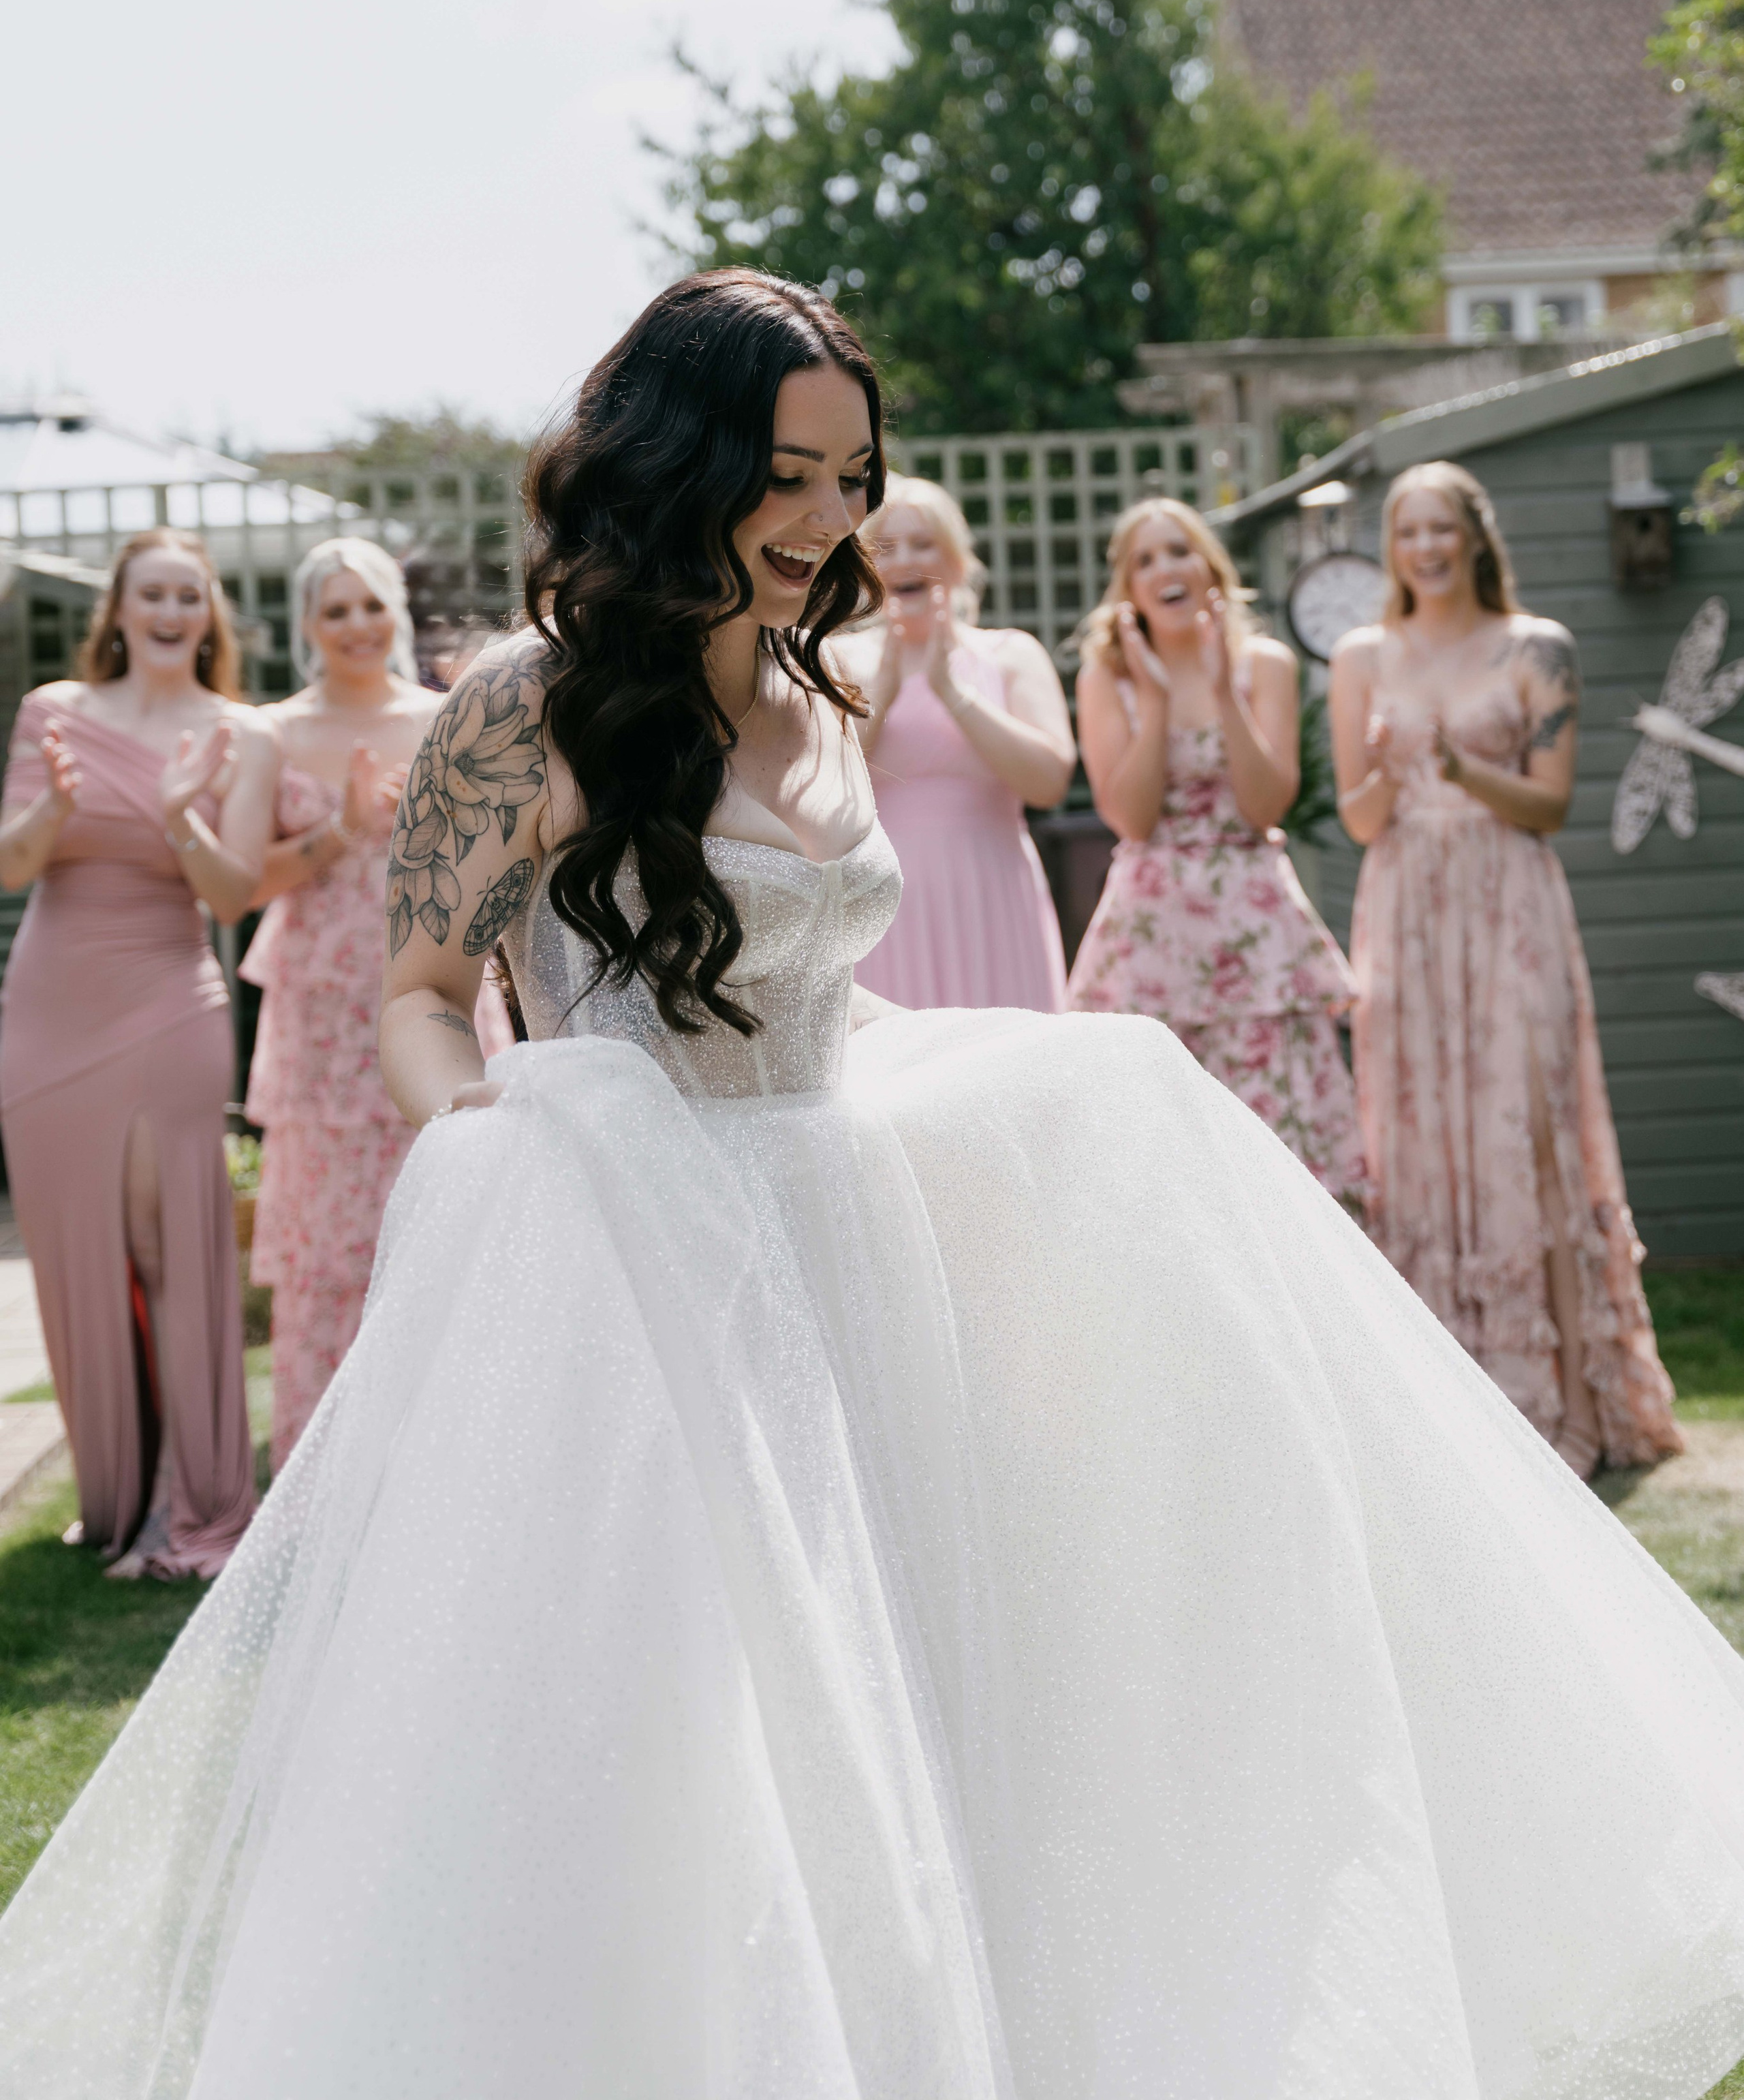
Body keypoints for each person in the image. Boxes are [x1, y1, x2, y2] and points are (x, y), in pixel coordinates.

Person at [4, 274, 1744, 2100]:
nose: (830, 518)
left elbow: (814, 996)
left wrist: (1031, 1087)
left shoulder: (819, 693)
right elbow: (423, 1000)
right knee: (681, 1755)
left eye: (854, 477)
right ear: (677, 461)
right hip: (635, 1266)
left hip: (851, 1257)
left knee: (932, 1722)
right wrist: (515, 1144)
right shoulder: (525, 705)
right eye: (790, 474)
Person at [1329, 459, 1682, 1479]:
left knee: (1528, 1127)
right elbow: (1358, 820)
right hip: (1405, 905)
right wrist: (1388, 769)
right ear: (1392, 550)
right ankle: (1440, 1409)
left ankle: (1568, 1400)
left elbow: (1550, 807)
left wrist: (1459, 768)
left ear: (1476, 537)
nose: (1425, 549)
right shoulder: (1361, 654)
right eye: (1408, 533)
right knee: (1416, 1135)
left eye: (1442, 529)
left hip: (1510, 904)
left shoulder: (1538, 647)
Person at [0, 530, 273, 1579]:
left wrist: (176, 819)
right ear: (116, 610)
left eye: (187, 595)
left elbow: (233, 896)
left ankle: (183, 1501)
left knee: (166, 1243)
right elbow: (13, 864)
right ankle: (112, 1495)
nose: (168, 611)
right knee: (76, 1246)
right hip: (49, 1007)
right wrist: (52, 809)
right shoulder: (52, 711)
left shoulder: (240, 734)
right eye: (150, 594)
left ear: (208, 615)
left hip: (167, 998)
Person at [240, 538, 514, 1472]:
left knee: (452, 1217)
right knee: (331, 1249)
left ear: (395, 613)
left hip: (440, 994)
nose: (356, 625)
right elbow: (242, 886)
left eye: (371, 605)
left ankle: (459, 1465)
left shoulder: (448, 716)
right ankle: (327, 1477)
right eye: (336, 609)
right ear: (307, 624)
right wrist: (343, 828)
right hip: (324, 1019)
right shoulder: (270, 732)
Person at [1068, 500, 1366, 1206]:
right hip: (1151, 932)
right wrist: (1156, 700)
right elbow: (1132, 819)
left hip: (1254, 926)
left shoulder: (1265, 664)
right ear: (1128, 588)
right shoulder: (1106, 676)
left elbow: (1266, 806)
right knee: (1165, 1147)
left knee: (1279, 1137)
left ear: (1210, 567)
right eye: (1144, 560)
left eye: (1179, 551)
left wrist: (1224, 688)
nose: (1164, 568)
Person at [836, 475, 1072, 1010]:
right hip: (881, 903)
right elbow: (821, 787)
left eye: (924, 543)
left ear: (958, 562)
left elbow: (1048, 782)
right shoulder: (837, 658)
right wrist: (884, 693)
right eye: (887, 546)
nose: (906, 560)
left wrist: (954, 694)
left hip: (991, 892)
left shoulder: (1011, 654)